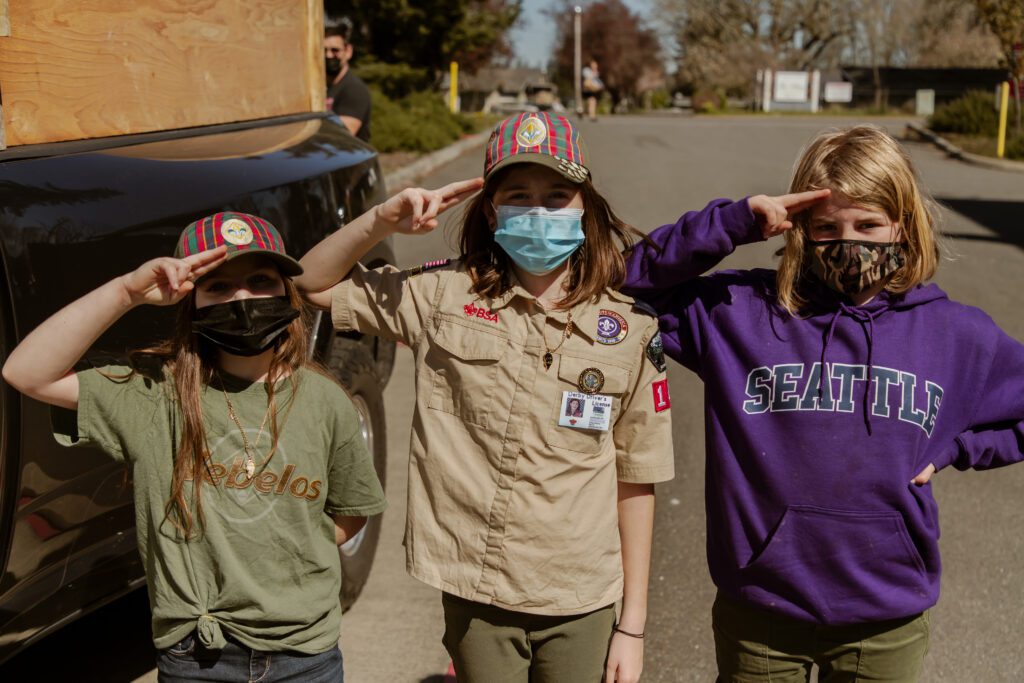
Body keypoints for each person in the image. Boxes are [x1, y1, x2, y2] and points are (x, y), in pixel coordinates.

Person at [620, 125, 1024, 681]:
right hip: (760, 611)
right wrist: (732, 223)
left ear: (902, 224)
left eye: (868, 224)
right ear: (801, 231)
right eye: (827, 227)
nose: (848, 242)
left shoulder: (956, 335)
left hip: (885, 619)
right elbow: (622, 281)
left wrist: (961, 444)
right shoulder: (737, 313)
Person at [296, 112, 675, 683]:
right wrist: (380, 220)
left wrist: (634, 625)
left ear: (585, 207)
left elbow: (636, 478)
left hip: (580, 596)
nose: (540, 210)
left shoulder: (629, 331)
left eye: (557, 194)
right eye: (519, 195)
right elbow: (311, 283)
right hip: (476, 587)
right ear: (492, 209)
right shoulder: (442, 295)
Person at [2, 212, 387, 682]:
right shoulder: (153, 395)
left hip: (305, 655)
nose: (242, 299)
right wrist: (125, 292)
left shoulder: (326, 401)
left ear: (286, 292)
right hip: (198, 659)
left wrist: (288, 552)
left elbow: (352, 510)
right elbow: (26, 373)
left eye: (260, 281)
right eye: (218, 286)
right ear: (192, 302)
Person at [324, 19, 371, 142]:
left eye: (335, 50)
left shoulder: (354, 89)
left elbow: (342, 136)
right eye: (323, 50)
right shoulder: (321, 88)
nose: (328, 55)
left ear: (348, 51)